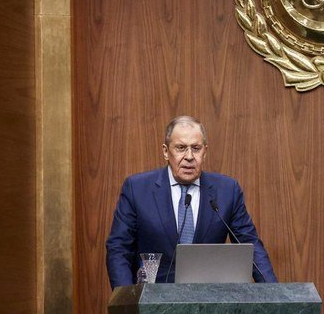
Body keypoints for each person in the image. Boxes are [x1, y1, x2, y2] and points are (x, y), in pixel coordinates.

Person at [105, 115, 277, 288]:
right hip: (152, 298)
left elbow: (251, 245)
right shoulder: (137, 189)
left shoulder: (227, 190)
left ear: (205, 152)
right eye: (180, 148)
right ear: (166, 151)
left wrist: (274, 294)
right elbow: (119, 249)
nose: (189, 156)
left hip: (208, 297)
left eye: (196, 148)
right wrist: (125, 298)